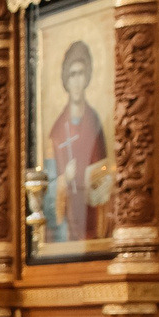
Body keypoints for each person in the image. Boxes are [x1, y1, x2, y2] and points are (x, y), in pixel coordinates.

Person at [46, 38, 110, 243]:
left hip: (93, 211)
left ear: (88, 77)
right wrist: (65, 178)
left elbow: (104, 170)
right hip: (66, 220)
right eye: (72, 75)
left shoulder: (94, 122)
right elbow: (47, 185)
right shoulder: (56, 131)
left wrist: (100, 178)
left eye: (81, 74)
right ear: (66, 79)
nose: (76, 81)